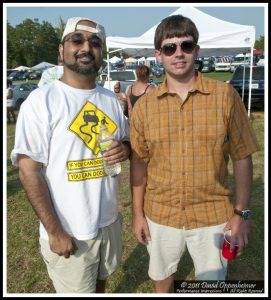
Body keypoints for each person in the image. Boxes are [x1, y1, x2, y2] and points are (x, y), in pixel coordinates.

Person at [130, 15, 260, 293]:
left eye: (186, 46)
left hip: (212, 214)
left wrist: (241, 214)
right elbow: (139, 164)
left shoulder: (224, 96)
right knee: (162, 279)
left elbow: (242, 156)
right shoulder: (144, 107)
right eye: (169, 48)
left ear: (196, 50)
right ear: (158, 55)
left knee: (213, 284)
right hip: (160, 213)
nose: (178, 53)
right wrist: (138, 214)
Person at [11, 17, 131, 293]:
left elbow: (126, 143)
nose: (86, 47)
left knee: (101, 281)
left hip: (108, 221)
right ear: (61, 50)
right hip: (69, 229)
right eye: (77, 40)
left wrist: (124, 149)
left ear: (101, 52)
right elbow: (29, 171)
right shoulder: (41, 102)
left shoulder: (111, 100)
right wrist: (54, 231)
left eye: (95, 43)